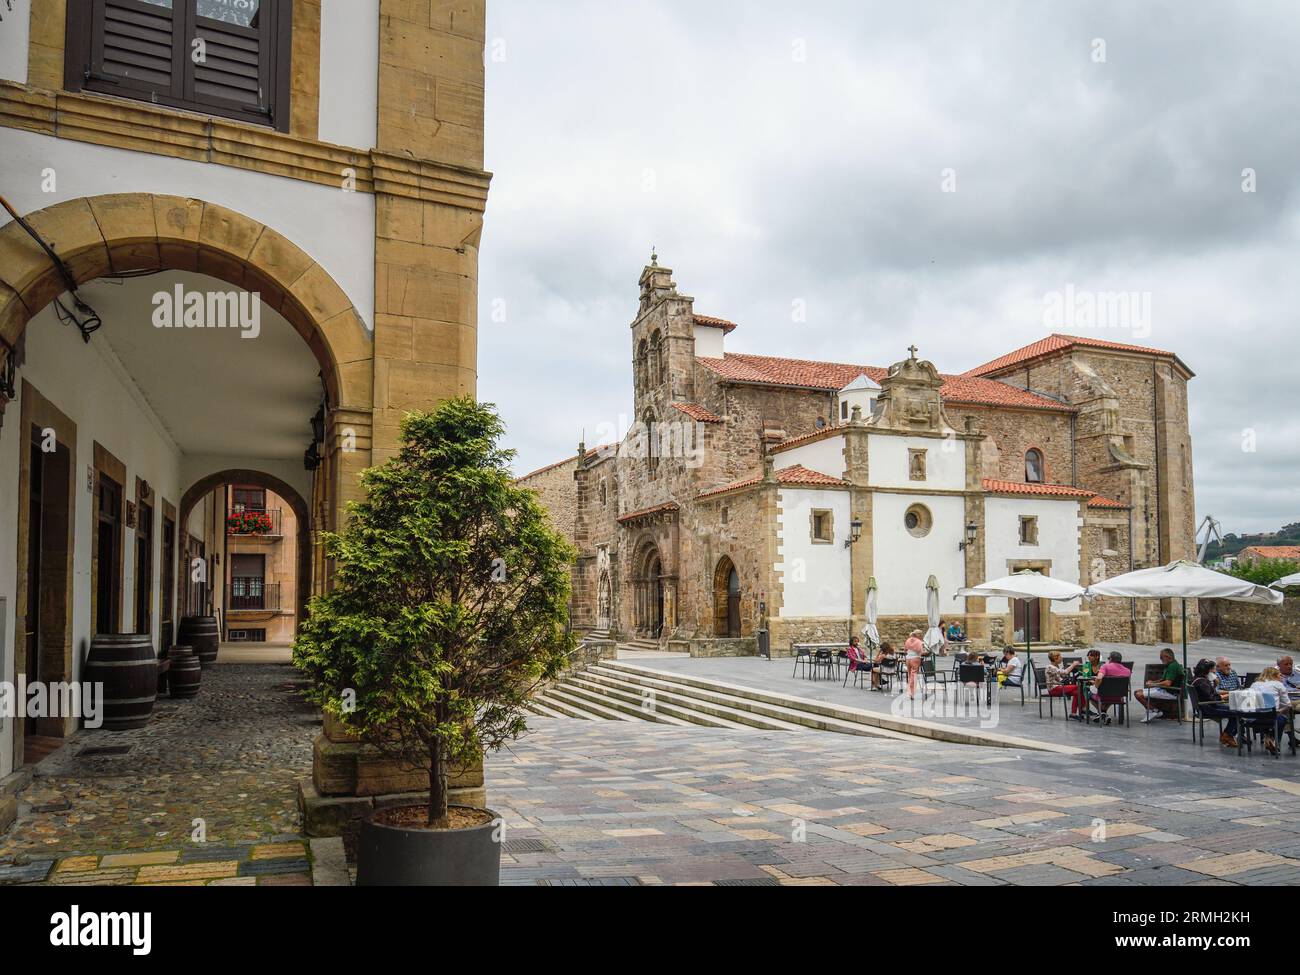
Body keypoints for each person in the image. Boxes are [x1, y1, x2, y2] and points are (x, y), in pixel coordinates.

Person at [1189, 658, 1238, 747]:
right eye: (1213, 670)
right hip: (1208, 708)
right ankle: (1227, 735)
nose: (1215, 672)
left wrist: (1216, 685)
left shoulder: (1197, 679)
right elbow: (1212, 698)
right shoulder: (1201, 682)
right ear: (1207, 670)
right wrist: (1229, 695)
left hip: (1206, 706)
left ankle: (1228, 735)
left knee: (1234, 709)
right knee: (1237, 712)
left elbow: (1210, 693)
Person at [1249, 666, 1292, 755]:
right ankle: (1274, 740)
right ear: (1274, 676)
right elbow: (1288, 704)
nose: (1281, 677)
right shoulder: (1278, 684)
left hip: (1253, 717)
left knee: (1265, 714)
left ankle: (1267, 737)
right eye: (1280, 675)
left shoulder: (1254, 684)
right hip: (1270, 716)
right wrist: (1280, 710)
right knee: (1281, 718)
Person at [1135, 648, 1185, 723]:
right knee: (1137, 692)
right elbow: (1163, 679)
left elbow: (1167, 683)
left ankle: (1154, 711)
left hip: (1171, 692)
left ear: (1168, 657)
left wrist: (1154, 684)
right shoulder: (1171, 665)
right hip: (1165, 690)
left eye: (1161, 657)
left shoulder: (1172, 667)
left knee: (1139, 695)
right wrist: (1153, 682)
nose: (1160, 659)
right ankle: (1152, 710)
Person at [1085, 651, 1132, 725]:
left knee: (1089, 694)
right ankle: (1103, 713)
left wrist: (1095, 687)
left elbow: (1099, 678)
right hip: (1119, 697)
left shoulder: (1105, 666)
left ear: (1111, 659)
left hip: (1104, 696)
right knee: (1110, 693)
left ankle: (1101, 713)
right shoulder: (1127, 671)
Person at [904, 629, 927, 698]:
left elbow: (905, 650)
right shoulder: (919, 642)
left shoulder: (908, 640)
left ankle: (910, 690)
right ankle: (911, 692)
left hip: (908, 658)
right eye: (921, 634)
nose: (922, 635)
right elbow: (921, 651)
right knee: (913, 675)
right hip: (915, 658)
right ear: (918, 635)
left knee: (910, 674)